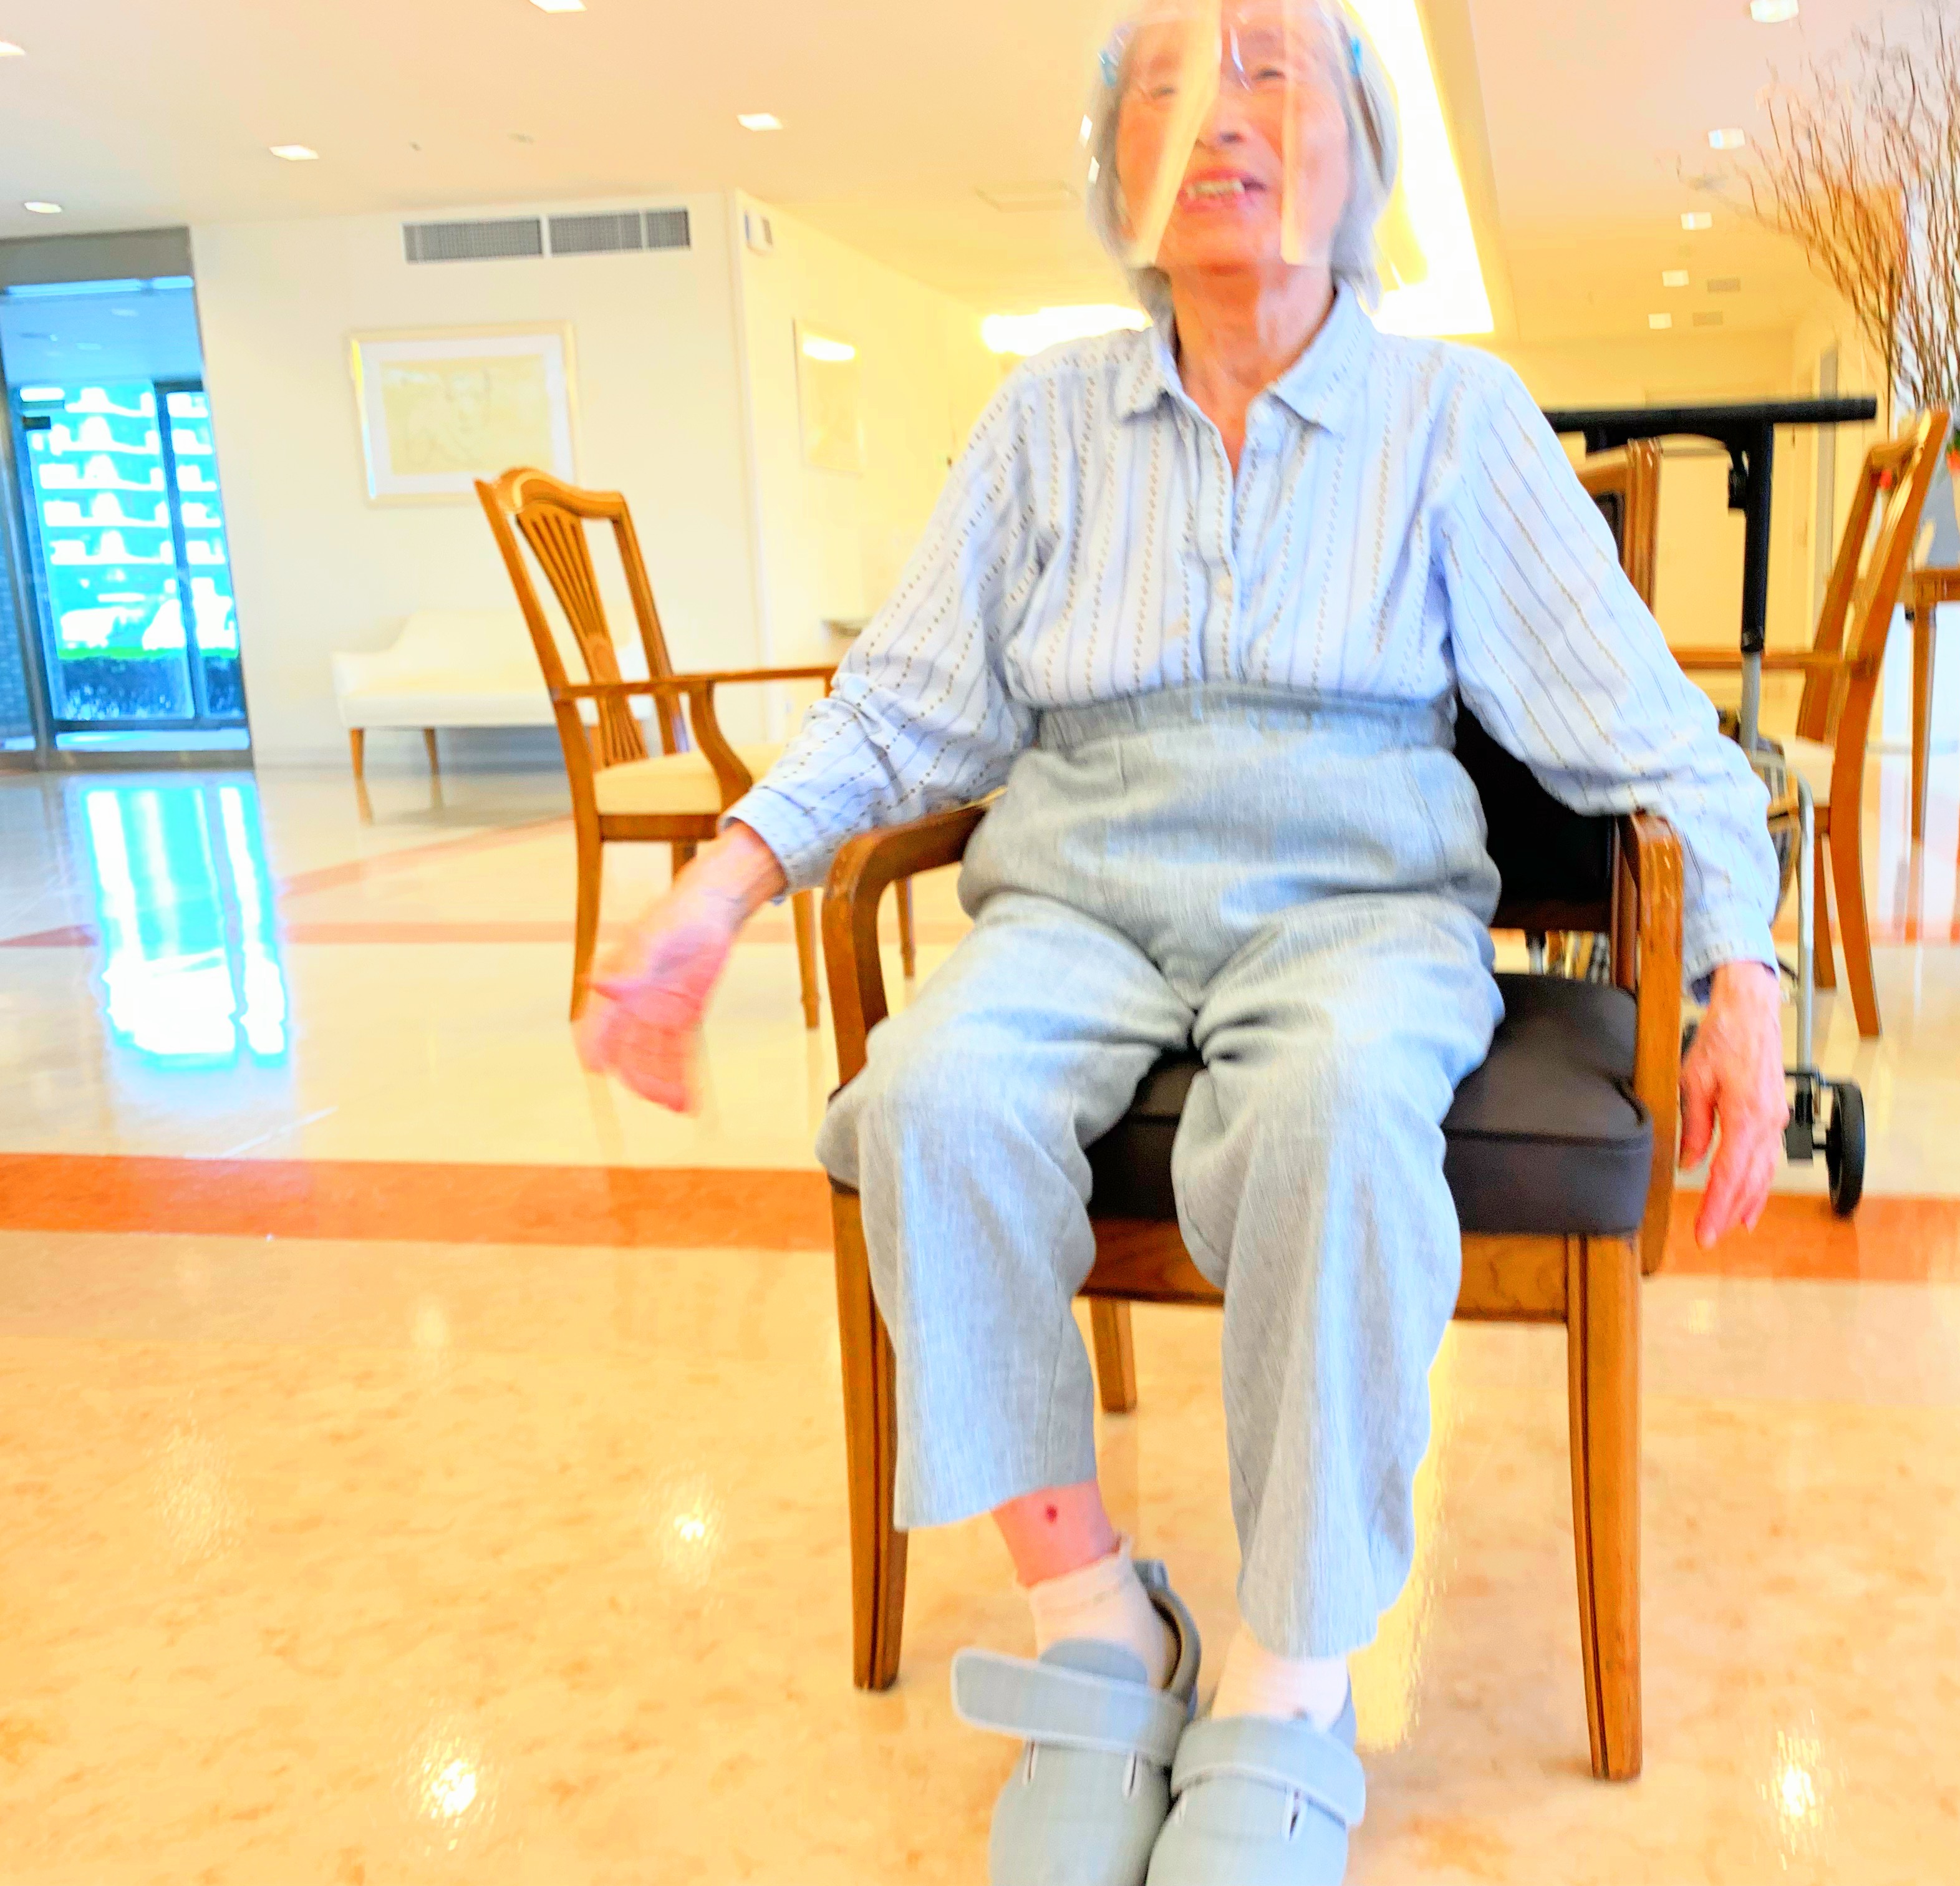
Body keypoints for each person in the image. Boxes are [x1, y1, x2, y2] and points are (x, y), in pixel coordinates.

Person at [577, 3, 1786, 1880]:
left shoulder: (1451, 420)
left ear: (1361, 149)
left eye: (1270, 73)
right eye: (1167, 87)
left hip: (1359, 901)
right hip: (1078, 892)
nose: (1217, 115)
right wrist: (719, 884)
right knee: (927, 1105)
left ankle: (1290, 1689)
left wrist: (1742, 974)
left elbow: (1641, 725)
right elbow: (902, 708)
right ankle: (1099, 1630)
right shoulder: (1043, 423)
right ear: (1116, 169)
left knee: (1334, 1123)